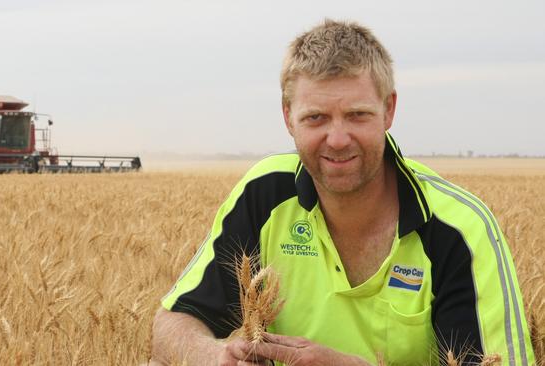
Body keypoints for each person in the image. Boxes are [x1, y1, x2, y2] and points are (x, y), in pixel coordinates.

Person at [150, 19, 535, 366]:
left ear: (389, 110)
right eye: (315, 117)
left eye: (357, 115)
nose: (337, 139)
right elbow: (173, 323)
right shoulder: (263, 193)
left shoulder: (460, 227)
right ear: (288, 117)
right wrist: (214, 356)